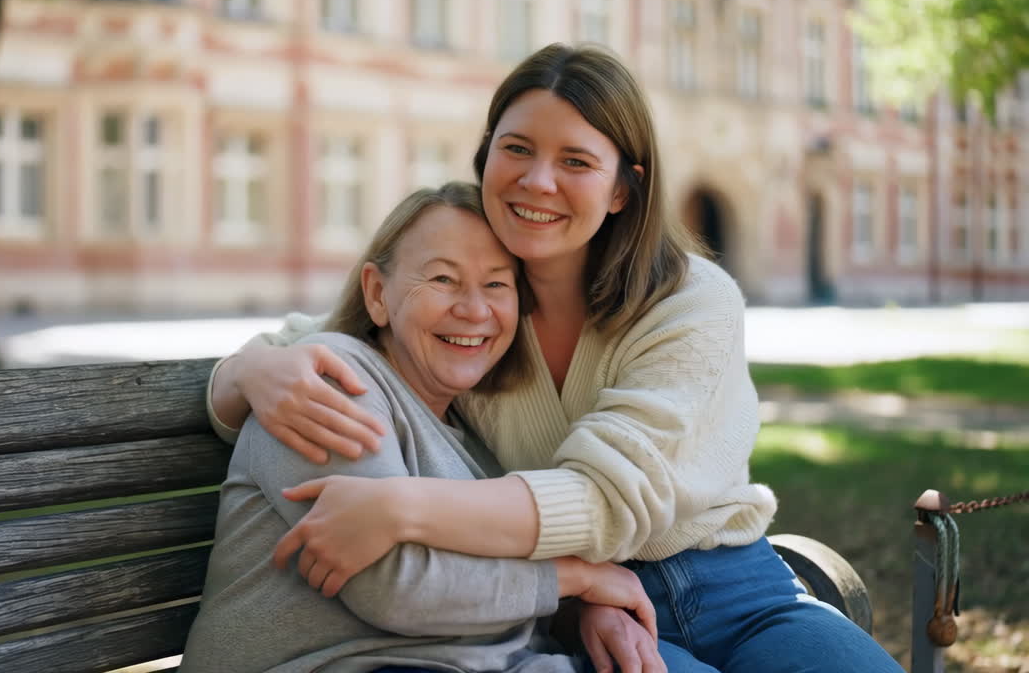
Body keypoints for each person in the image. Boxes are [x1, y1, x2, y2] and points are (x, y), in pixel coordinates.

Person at [205, 44, 904, 673]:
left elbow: (605, 500)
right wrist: (248, 372)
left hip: (733, 586)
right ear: (486, 159)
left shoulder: (691, 301)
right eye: (516, 149)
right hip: (570, 607)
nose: (539, 181)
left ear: (623, 189)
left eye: (575, 161)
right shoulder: (479, 312)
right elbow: (328, 335)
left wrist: (403, 506)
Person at [181, 182, 662, 673]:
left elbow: (489, 587)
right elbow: (395, 587)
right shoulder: (329, 385)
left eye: (497, 284)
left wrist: (578, 610)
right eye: (443, 280)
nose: (474, 310)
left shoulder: (475, 428)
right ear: (376, 294)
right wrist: (577, 578)